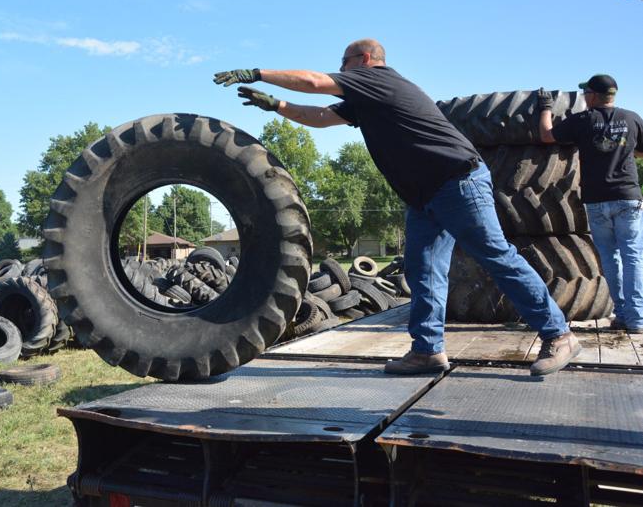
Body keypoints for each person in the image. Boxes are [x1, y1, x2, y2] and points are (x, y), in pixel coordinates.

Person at [213, 39, 580, 376]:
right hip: (425, 195)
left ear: (364, 59)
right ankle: (427, 351)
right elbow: (322, 117)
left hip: (457, 183)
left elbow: (314, 82)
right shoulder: (368, 99)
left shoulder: (379, 80)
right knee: (423, 271)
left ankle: (558, 334)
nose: (340, 69)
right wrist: (277, 105)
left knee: (497, 257)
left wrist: (257, 73)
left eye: (344, 62)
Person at [537, 75, 643, 333]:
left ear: (594, 96)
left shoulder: (584, 120)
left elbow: (547, 136)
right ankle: (638, 319)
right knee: (632, 256)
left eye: (586, 93)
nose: (584, 97)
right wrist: (623, 149)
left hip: (596, 199)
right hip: (627, 197)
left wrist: (545, 108)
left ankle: (622, 314)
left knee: (610, 258)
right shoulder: (632, 118)